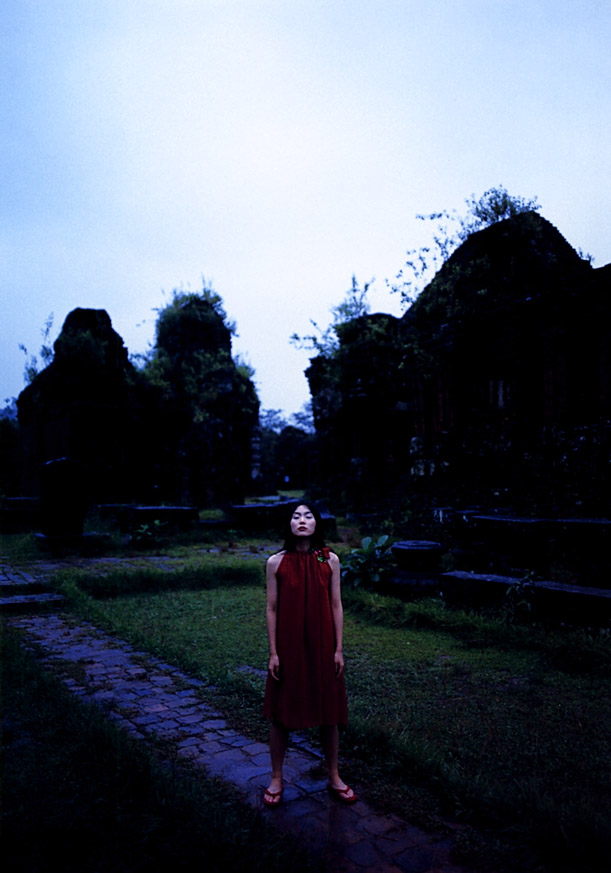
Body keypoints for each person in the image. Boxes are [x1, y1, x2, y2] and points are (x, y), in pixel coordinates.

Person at [262, 501, 357, 807]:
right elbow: (272, 608)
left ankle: (334, 775)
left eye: (308, 516)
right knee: (281, 713)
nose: (302, 521)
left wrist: (338, 649)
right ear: (288, 524)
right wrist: (274, 652)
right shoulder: (276, 562)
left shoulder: (327, 558)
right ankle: (277, 777)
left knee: (329, 713)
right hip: (288, 645)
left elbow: (336, 605)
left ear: (317, 523)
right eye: (295, 516)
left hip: (323, 644)